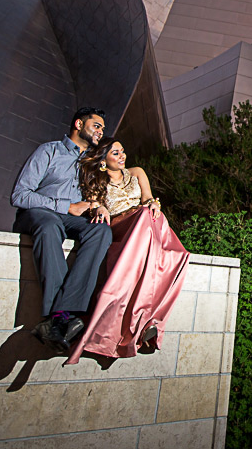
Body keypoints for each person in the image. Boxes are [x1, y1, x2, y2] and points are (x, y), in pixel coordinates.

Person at [64, 137, 190, 365]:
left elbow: (148, 198)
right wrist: (99, 206)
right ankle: (141, 321)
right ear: (103, 161)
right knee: (145, 218)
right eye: (115, 153)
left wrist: (153, 203)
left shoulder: (137, 172)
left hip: (145, 224)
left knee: (154, 217)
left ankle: (147, 322)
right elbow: (93, 204)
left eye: (123, 151)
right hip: (120, 227)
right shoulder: (96, 179)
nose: (122, 156)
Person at [10, 107, 113, 353]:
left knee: (101, 231)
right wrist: (66, 206)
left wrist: (99, 207)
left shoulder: (93, 161)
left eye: (102, 128)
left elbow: (98, 193)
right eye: (96, 125)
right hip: (38, 214)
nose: (101, 131)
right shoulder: (49, 150)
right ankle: (61, 316)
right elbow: (20, 195)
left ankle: (64, 312)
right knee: (49, 224)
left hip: (72, 219)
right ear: (79, 124)